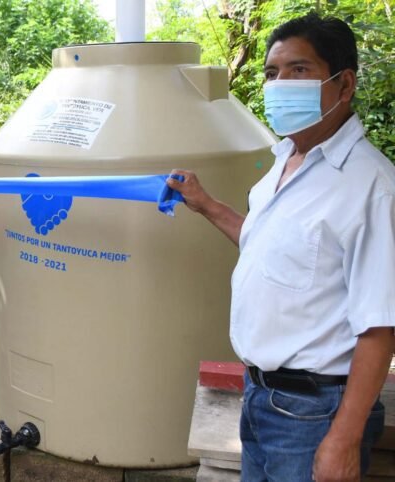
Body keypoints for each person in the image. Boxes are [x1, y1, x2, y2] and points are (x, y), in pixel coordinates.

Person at [166, 13, 395, 482]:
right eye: (272, 73)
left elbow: (380, 328)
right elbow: (267, 245)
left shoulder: (370, 187)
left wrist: (344, 440)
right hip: (261, 399)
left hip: (315, 414)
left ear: (344, 84)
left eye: (299, 70)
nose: (280, 83)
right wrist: (207, 205)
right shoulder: (287, 160)